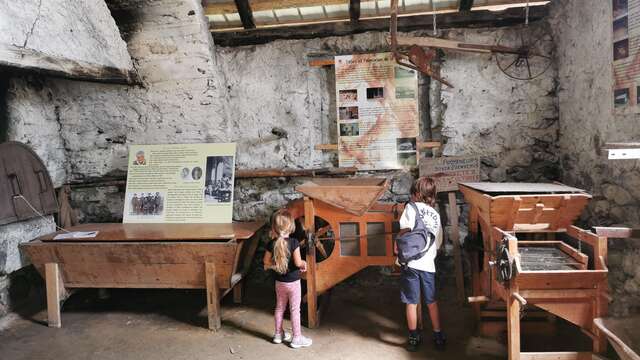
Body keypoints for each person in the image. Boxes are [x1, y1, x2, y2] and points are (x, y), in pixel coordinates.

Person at [396, 177, 445, 352]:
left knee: (411, 302)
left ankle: (414, 337)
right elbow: (438, 243)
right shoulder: (436, 215)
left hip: (411, 264)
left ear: (417, 194)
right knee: (431, 301)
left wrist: (397, 246)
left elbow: (404, 231)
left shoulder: (411, 207)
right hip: (428, 265)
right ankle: (438, 336)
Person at [263, 209, 312, 349]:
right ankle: (297, 338)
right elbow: (298, 263)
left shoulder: (271, 244)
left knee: (279, 308)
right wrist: (304, 264)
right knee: (295, 310)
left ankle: (278, 334)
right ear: (291, 226)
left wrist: (277, 265)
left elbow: (266, 263)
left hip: (280, 283)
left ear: (274, 228)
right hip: (294, 283)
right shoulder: (294, 242)